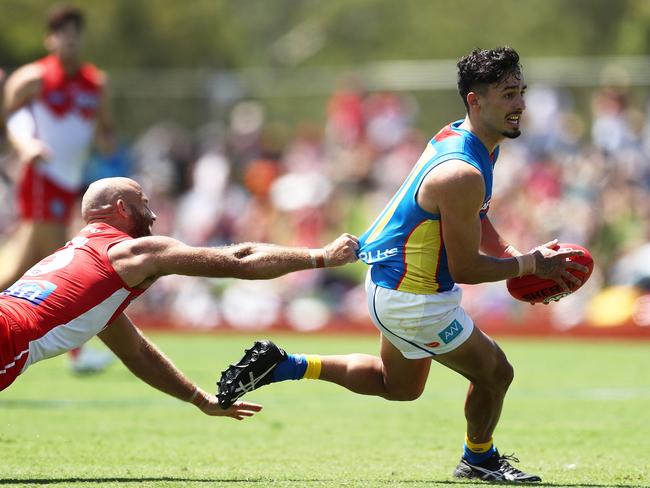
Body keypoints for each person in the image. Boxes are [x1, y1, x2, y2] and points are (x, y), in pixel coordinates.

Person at [217, 47, 589, 482]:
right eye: (508, 94)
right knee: (496, 374)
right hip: (414, 298)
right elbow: (467, 269)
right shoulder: (462, 172)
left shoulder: (463, 138)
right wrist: (530, 266)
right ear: (475, 100)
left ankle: (286, 364)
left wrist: (511, 256)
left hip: (395, 287)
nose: (521, 104)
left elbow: (477, 215)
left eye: (521, 92)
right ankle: (479, 459)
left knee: (400, 387)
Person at [0, 176, 359, 420]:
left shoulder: (82, 265)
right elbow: (239, 260)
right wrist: (321, 256)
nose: (153, 214)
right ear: (122, 209)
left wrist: (200, 400)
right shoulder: (133, 251)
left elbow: (136, 352)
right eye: (144, 203)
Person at [1, 5, 115, 373]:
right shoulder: (32, 78)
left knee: (24, 266)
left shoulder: (95, 83)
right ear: (50, 39)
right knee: (62, 267)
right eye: (62, 33)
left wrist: (106, 140)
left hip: (70, 184)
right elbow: (12, 119)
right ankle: (78, 355)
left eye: (75, 33)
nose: (70, 39)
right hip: (41, 180)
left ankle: (77, 352)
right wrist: (26, 146)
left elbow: (104, 132)